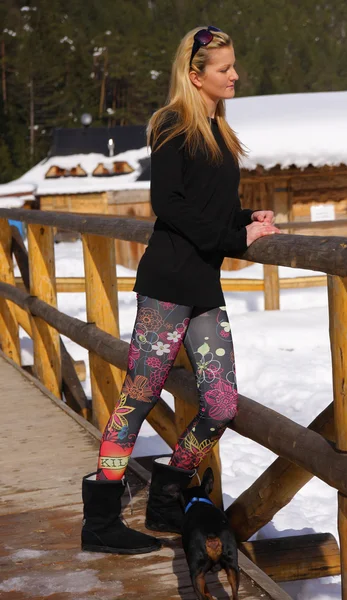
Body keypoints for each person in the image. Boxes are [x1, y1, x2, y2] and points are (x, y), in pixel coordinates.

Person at [81, 25, 280, 556]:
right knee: (139, 397)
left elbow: (204, 205)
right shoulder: (172, 124)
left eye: (233, 66)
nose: (235, 75)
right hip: (168, 287)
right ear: (195, 75)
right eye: (223, 69)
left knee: (220, 403)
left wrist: (244, 216)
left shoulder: (217, 127)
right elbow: (168, 205)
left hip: (202, 288)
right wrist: (235, 237)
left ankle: (168, 497)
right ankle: (100, 517)